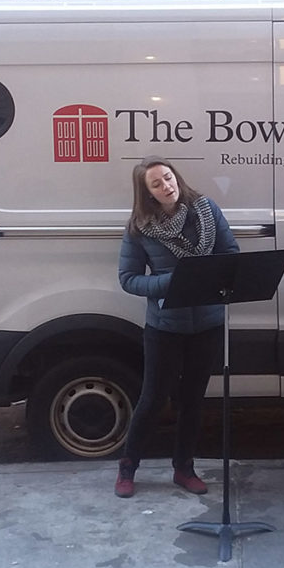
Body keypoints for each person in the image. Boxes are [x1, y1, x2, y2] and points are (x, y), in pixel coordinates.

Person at [114, 156, 239, 498]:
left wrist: (212, 275)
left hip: (208, 323)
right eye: (157, 184)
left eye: (168, 178)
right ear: (147, 193)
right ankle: (128, 466)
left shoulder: (206, 210)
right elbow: (128, 279)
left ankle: (184, 468)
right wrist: (171, 283)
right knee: (153, 398)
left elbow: (231, 253)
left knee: (192, 400)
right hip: (165, 326)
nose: (166, 186)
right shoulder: (140, 227)